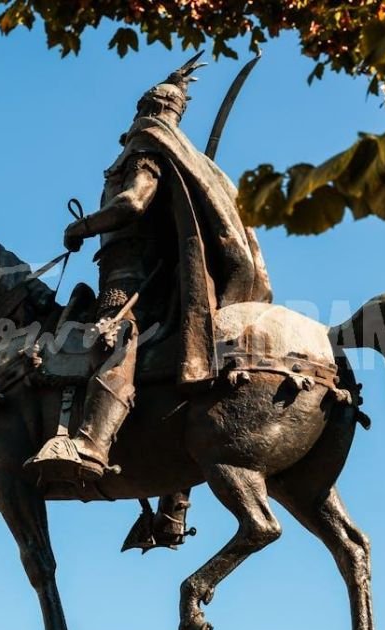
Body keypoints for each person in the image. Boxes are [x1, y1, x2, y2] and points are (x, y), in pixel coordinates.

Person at [30, 56, 272, 543]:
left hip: (132, 271)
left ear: (145, 111)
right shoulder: (173, 152)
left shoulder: (144, 149)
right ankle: (174, 503)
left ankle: (90, 444)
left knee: (110, 335)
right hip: (151, 270)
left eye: (145, 108)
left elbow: (133, 203)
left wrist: (83, 226)